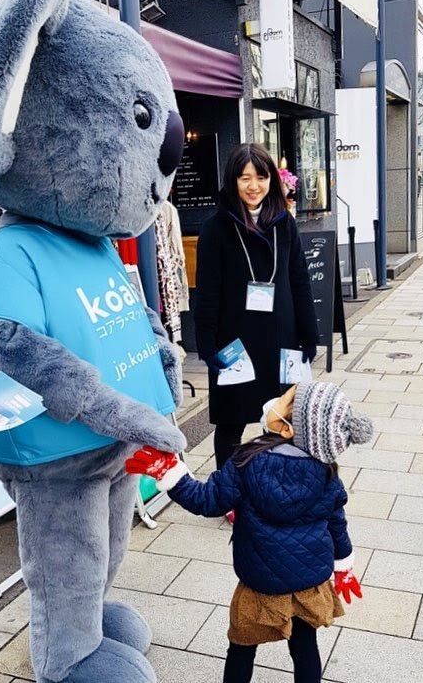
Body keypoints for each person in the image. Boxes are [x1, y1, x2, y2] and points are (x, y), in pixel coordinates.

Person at [126, 381, 373, 683]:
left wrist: (172, 475)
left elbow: (208, 501)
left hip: (259, 582)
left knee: (241, 646)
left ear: (287, 429)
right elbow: (337, 523)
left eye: (285, 400)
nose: (276, 400)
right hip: (309, 582)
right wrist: (343, 565)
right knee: (305, 646)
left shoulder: (247, 462)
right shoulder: (328, 474)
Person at [194, 143, 319, 474]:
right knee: (231, 423)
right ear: (232, 180)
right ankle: (228, 490)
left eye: (261, 177)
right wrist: (206, 344)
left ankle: (276, 485)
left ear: (271, 180)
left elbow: (300, 281)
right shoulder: (215, 227)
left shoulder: (284, 223)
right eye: (245, 178)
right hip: (235, 343)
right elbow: (207, 292)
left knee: (281, 420)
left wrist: (309, 335)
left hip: (282, 340)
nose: (253, 186)